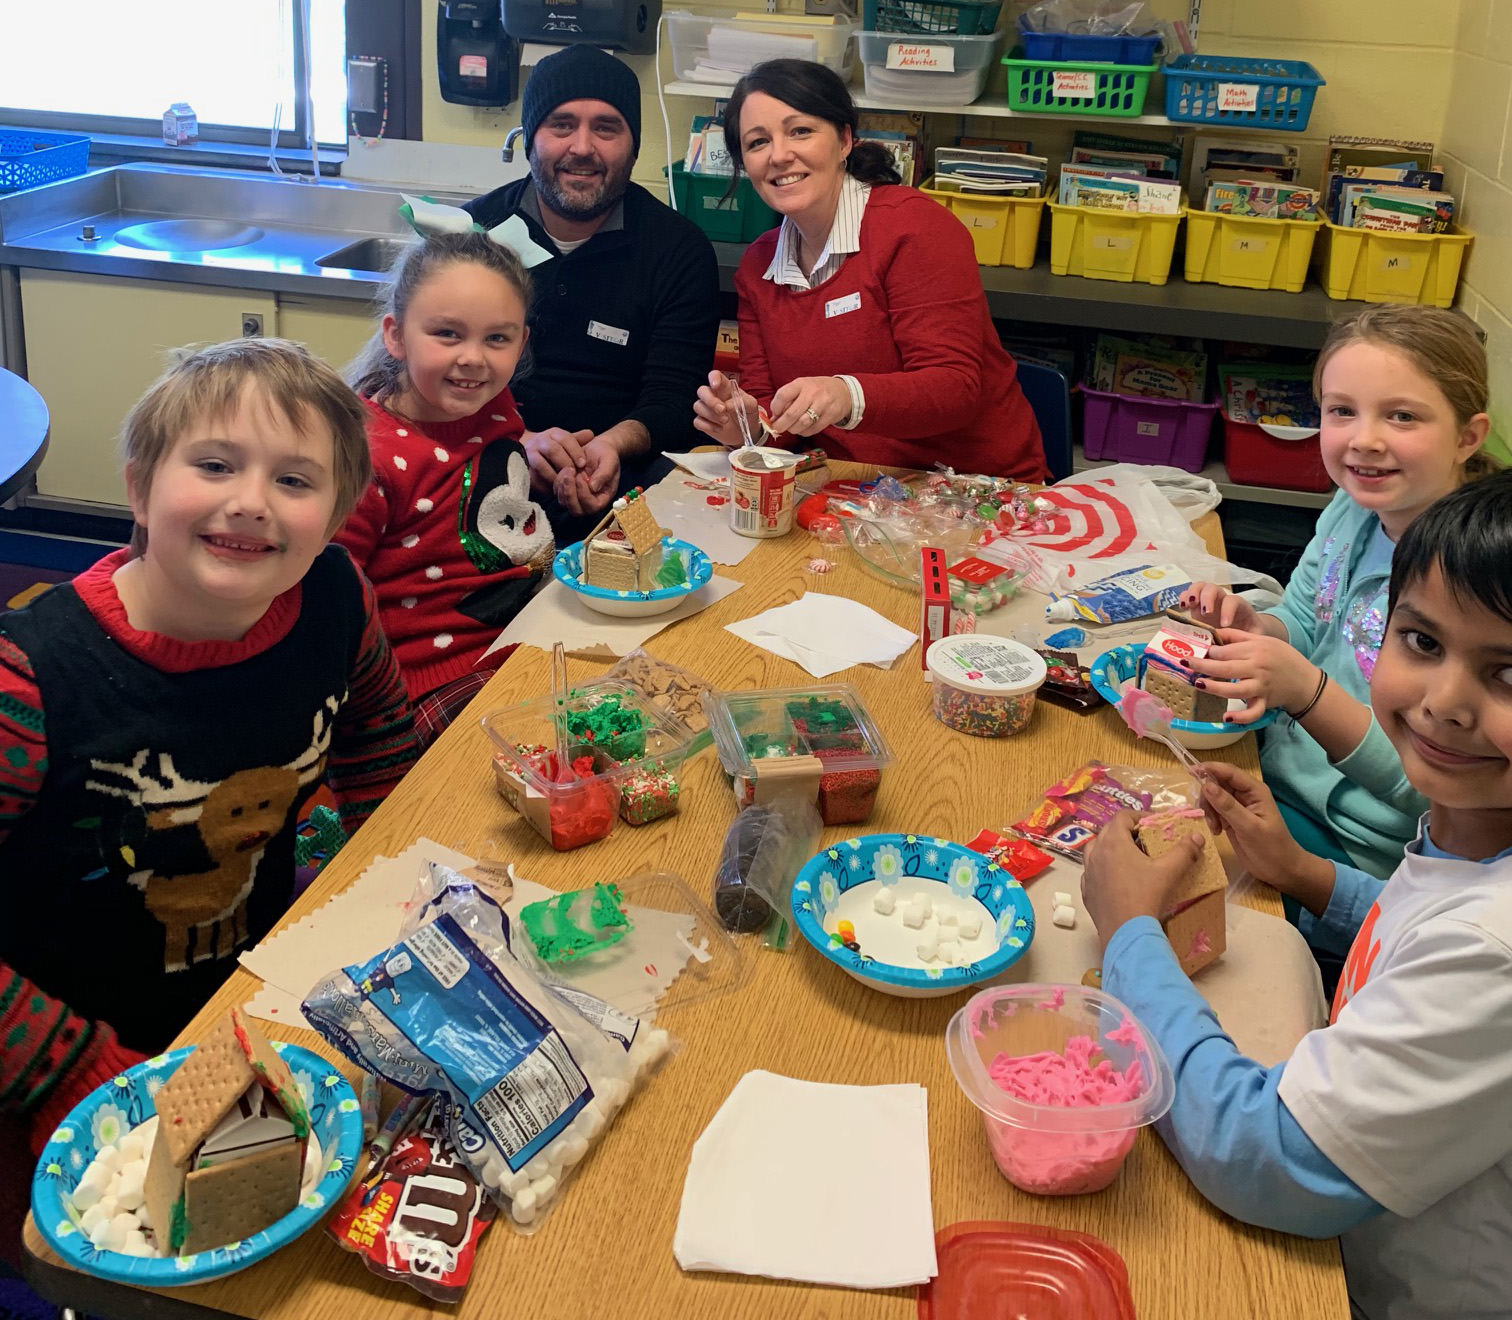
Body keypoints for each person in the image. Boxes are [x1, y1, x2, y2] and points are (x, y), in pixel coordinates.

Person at [1080, 469, 1512, 1320]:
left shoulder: (1495, 953)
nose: (1443, 703)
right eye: (1422, 642)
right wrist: (1304, 875)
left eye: (1508, 672)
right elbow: (1427, 923)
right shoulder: (1473, 828)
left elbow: (1267, 1160)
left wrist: (1130, 932)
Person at [0, 339, 418, 1169]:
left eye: (294, 481)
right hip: (49, 1066)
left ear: (336, 519)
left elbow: (378, 738)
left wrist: (403, 889)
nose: (252, 502)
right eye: (216, 465)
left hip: (244, 1002)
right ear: (139, 489)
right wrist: (74, 1070)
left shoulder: (335, 596)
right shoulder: (28, 680)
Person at [1183, 305, 1497, 879]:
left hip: (1353, 840)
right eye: (1342, 411)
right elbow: (1305, 614)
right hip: (1273, 767)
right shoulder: (1355, 507)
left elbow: (1424, 788)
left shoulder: (1470, 583)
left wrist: (1305, 690)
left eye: (1402, 417)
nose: (1364, 440)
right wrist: (1260, 629)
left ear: (1466, 438)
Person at [692, 59, 1046, 480]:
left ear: (844, 140)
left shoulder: (914, 228)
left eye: (800, 131)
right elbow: (779, 420)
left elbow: (956, 388)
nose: (779, 155)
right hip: (853, 491)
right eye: (757, 142)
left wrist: (845, 395)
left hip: (973, 487)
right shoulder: (759, 266)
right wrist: (748, 427)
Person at [464, 44, 721, 524]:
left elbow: (673, 401)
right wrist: (517, 443)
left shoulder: (677, 250)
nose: (582, 147)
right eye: (562, 124)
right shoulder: (472, 234)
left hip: (620, 481)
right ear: (530, 137)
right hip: (477, 464)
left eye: (606, 127)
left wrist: (611, 447)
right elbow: (423, 380)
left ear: (633, 144)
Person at [339, 231, 556, 742]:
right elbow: (327, 597)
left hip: (522, 636)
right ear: (396, 336)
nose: (474, 358)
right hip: (421, 689)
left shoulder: (492, 405)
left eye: (496, 339)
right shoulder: (366, 457)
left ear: (521, 342)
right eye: (447, 334)